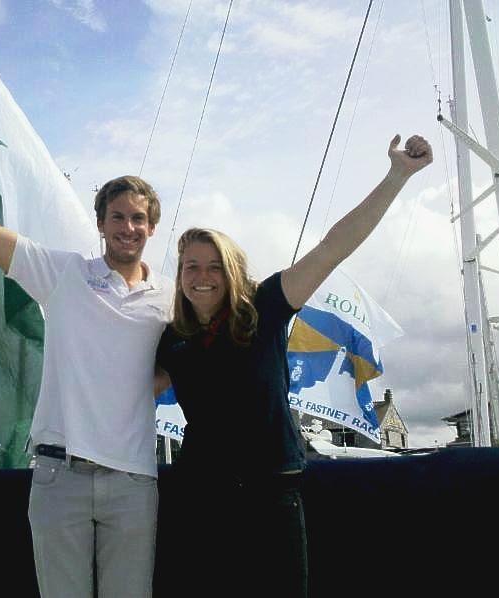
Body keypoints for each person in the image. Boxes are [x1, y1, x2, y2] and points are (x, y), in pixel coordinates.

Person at [155, 134, 433, 595]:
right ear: (180, 274)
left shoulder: (265, 307)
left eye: (213, 266)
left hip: (272, 494)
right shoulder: (172, 338)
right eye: (190, 266)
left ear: (232, 270)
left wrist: (397, 175)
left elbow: (331, 248)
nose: (202, 277)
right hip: (202, 498)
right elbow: (123, 387)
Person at [0, 102, 173, 598]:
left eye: (137, 218)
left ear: (152, 227)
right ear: (101, 223)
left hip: (133, 483)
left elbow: (181, 363)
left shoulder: (171, 301)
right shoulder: (66, 275)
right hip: (57, 476)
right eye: (117, 217)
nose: (127, 227)